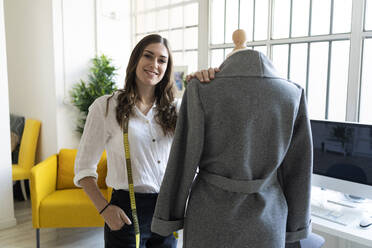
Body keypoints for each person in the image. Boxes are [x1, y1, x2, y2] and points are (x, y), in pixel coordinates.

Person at [151, 48, 313, 248]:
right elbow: (299, 169)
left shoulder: (201, 89)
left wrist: (168, 215)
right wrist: (297, 225)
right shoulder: (292, 93)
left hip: (210, 216)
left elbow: (184, 158)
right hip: (268, 219)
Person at [73, 34, 217, 248]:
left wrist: (207, 83)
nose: (154, 64)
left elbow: (211, 133)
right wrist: (105, 210)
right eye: (148, 56)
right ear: (135, 61)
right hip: (125, 212)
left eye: (162, 60)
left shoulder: (177, 109)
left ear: (167, 68)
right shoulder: (106, 107)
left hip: (166, 210)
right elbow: (84, 169)